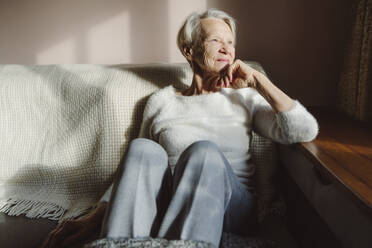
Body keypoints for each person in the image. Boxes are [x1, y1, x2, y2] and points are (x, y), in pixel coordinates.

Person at [42, 9, 318, 248]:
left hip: (230, 208)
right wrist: (94, 217)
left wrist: (259, 81)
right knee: (142, 149)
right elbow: (135, 174)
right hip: (169, 205)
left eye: (231, 43)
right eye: (216, 41)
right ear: (189, 50)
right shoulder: (161, 101)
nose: (227, 49)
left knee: (202, 152)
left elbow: (302, 131)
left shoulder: (242, 97)